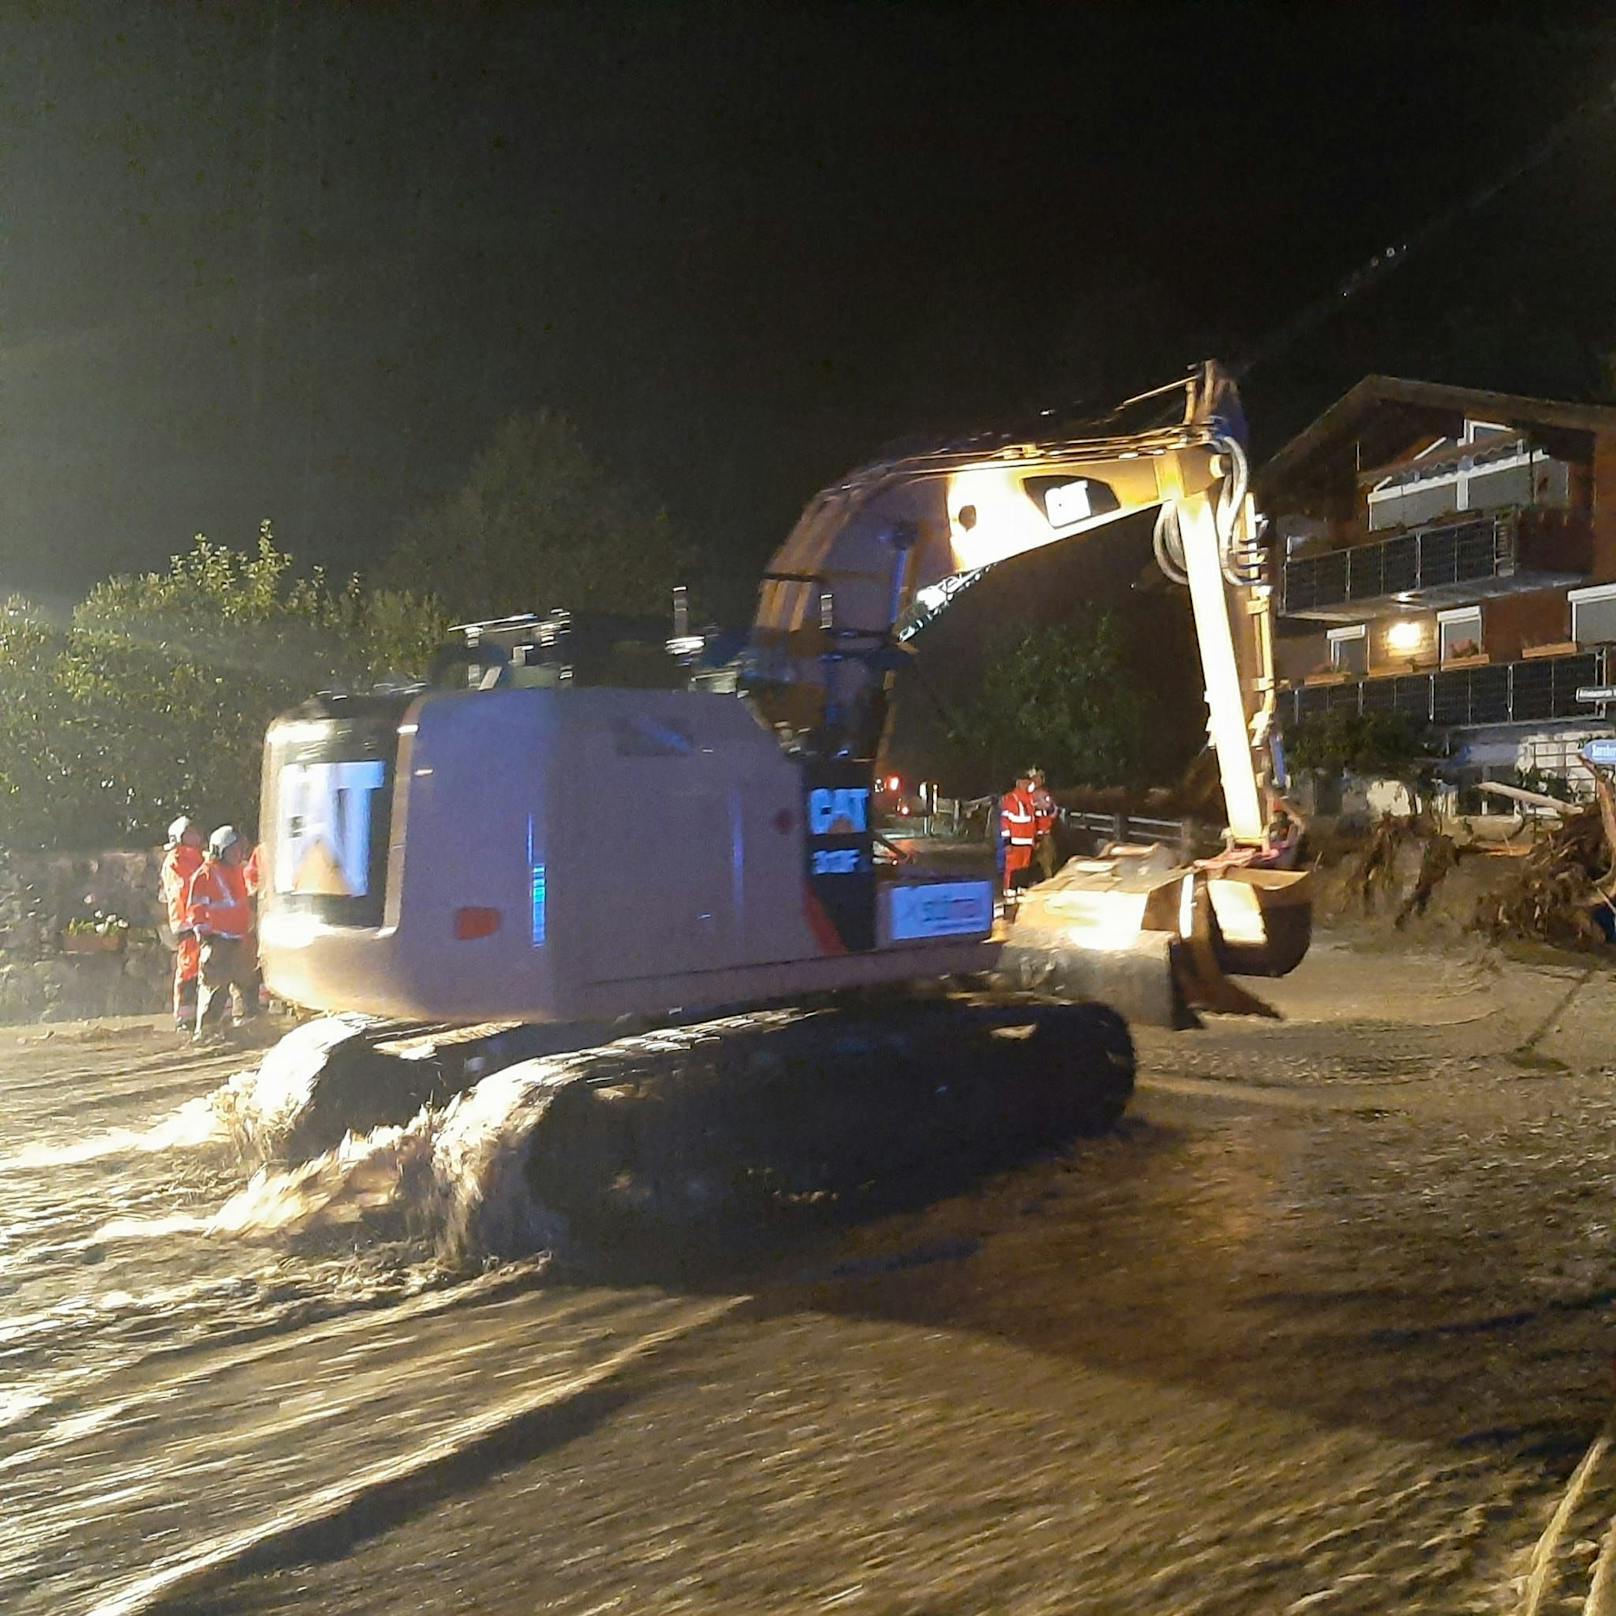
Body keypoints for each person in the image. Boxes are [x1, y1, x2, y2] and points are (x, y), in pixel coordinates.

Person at [185, 825, 260, 1040]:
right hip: (217, 939)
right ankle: (206, 1033)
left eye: (239, 849)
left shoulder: (236, 872)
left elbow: (240, 902)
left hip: (238, 938)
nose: (238, 854)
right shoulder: (205, 874)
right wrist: (205, 934)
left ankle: (246, 1025)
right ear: (220, 850)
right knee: (214, 988)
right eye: (233, 850)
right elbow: (196, 908)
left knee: (247, 983)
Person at [159, 816, 205, 1032]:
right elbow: (184, 889)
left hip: (201, 920)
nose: (196, 836)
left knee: (206, 967)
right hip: (188, 922)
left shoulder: (198, 858)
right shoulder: (176, 860)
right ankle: (184, 1016)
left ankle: (202, 1014)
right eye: (190, 833)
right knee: (189, 968)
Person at [999, 770, 1039, 891]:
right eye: (1025, 783)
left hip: (1027, 842)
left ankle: (1021, 889)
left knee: (1024, 868)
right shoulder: (1011, 799)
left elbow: (1032, 821)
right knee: (1012, 868)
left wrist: (1035, 839)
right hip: (1015, 843)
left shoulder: (1030, 800)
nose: (1027, 785)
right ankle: (1009, 891)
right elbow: (1005, 822)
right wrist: (1007, 842)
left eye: (1028, 783)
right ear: (1018, 783)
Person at [1029, 767, 1059, 882]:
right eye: (1035, 778)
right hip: (1031, 834)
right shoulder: (1027, 796)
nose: (1038, 781)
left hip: (1045, 833)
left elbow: (1053, 810)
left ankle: (1049, 882)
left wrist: (1050, 821)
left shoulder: (1045, 795)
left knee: (1047, 860)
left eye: (1040, 778)